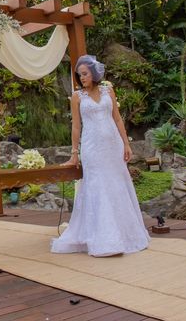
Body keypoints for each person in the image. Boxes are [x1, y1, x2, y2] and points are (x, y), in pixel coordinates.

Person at [51, 54, 150, 257]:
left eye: (85, 74)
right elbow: (76, 127)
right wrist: (74, 154)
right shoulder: (77, 97)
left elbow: (118, 119)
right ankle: (103, 238)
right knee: (98, 187)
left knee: (116, 185)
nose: (82, 78)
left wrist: (126, 143)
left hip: (112, 147)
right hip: (92, 148)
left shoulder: (108, 90)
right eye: (80, 75)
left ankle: (125, 235)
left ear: (95, 74)